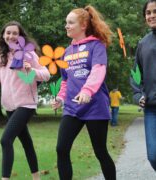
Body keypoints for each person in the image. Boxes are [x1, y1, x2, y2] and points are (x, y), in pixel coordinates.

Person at [0, 21, 50, 180]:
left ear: (20, 36)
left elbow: (46, 74)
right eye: (8, 33)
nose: (11, 35)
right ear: (3, 36)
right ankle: (36, 177)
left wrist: (32, 71)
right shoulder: (0, 59)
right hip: (9, 106)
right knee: (26, 142)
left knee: (5, 140)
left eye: (14, 33)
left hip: (26, 104)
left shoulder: (29, 54)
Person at [52, 5, 116, 180]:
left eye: (70, 23)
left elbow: (98, 69)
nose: (66, 26)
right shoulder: (66, 52)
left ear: (83, 25)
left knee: (100, 152)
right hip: (72, 108)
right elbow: (65, 80)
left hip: (95, 107)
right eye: (66, 23)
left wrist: (88, 90)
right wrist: (60, 97)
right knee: (61, 149)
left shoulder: (96, 46)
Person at [130, 0, 156, 173]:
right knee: (153, 155)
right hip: (152, 110)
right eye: (148, 12)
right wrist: (138, 94)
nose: (152, 15)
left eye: (155, 11)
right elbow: (135, 75)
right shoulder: (143, 43)